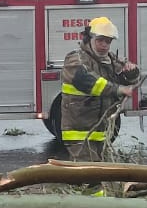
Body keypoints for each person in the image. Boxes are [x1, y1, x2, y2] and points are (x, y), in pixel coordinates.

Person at [60, 16, 140, 162]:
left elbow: (128, 79)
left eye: (108, 41)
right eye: (100, 40)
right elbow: (89, 81)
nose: (104, 45)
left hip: (100, 130)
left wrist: (131, 72)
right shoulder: (75, 59)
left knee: (100, 171)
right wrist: (118, 89)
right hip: (80, 131)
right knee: (88, 172)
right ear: (89, 39)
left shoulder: (110, 59)